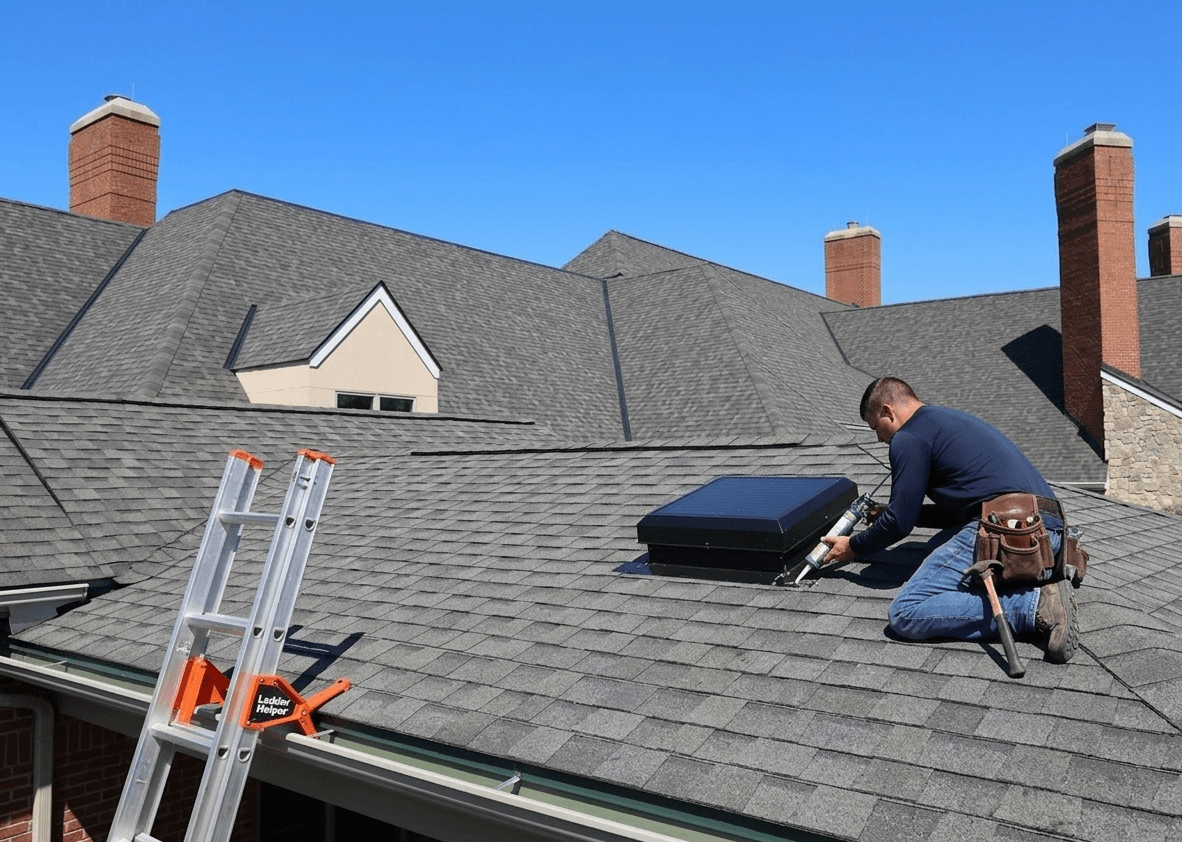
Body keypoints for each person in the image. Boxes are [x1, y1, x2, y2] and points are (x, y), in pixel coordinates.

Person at [821, 377, 1079, 662]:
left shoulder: (909, 436)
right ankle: (1034, 590)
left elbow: (898, 523)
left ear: (887, 412)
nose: (879, 439)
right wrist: (893, 513)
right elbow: (955, 515)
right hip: (1047, 535)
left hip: (1007, 529)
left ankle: (1036, 606)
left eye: (876, 428)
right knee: (929, 551)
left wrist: (853, 546)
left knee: (906, 612)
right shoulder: (942, 420)